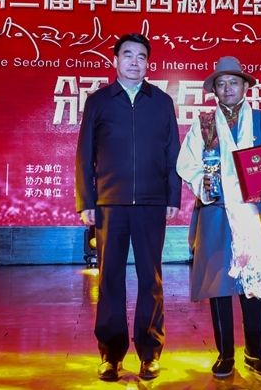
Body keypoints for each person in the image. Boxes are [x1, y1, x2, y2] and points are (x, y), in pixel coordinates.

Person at [75, 33, 181, 381]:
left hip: (152, 203)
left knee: (151, 278)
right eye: (128, 55)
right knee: (109, 279)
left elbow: (172, 153)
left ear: (148, 63)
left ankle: (150, 353)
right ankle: (111, 354)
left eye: (141, 57)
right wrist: (87, 200)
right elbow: (85, 155)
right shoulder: (99, 101)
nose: (135, 62)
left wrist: (172, 196)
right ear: (116, 60)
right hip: (110, 203)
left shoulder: (161, 101)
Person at [177, 56, 261, 379]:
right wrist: (203, 182)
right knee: (219, 283)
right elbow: (186, 163)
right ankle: (225, 354)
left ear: (244, 87)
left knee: (252, 280)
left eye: (233, 83)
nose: (227, 89)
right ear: (214, 90)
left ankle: (255, 352)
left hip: (251, 212)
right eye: (221, 84)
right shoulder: (204, 124)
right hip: (216, 211)